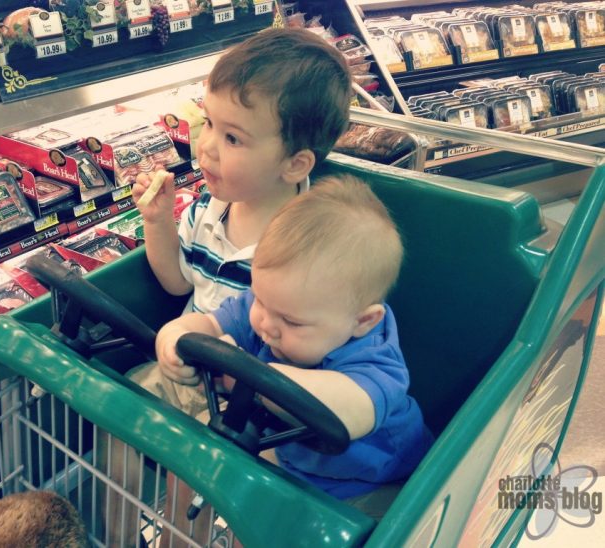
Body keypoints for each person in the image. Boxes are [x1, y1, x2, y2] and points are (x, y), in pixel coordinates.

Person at [154, 175, 434, 544]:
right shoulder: (273, 307)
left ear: (362, 321)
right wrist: (174, 337)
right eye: (259, 299)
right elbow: (208, 322)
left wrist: (252, 377)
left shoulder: (374, 358)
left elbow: (350, 408)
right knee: (205, 473)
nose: (266, 325)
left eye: (291, 321)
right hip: (287, 464)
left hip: (369, 488)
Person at [129, 26, 352, 414]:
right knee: (118, 410)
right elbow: (179, 283)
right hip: (186, 368)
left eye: (233, 138)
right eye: (209, 123)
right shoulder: (209, 208)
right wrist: (157, 220)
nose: (207, 147)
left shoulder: (309, 247)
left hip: (245, 402)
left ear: (294, 164)